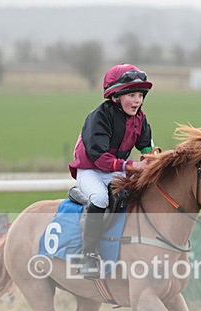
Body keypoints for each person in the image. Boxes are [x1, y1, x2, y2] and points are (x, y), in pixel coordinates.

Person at [68, 63, 156, 279]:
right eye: (132, 95)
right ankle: (88, 255)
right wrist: (130, 166)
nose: (138, 101)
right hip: (90, 169)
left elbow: (146, 146)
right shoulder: (99, 117)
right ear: (116, 96)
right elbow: (99, 158)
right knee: (100, 198)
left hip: (114, 168)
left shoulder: (140, 118)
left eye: (140, 95)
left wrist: (153, 158)